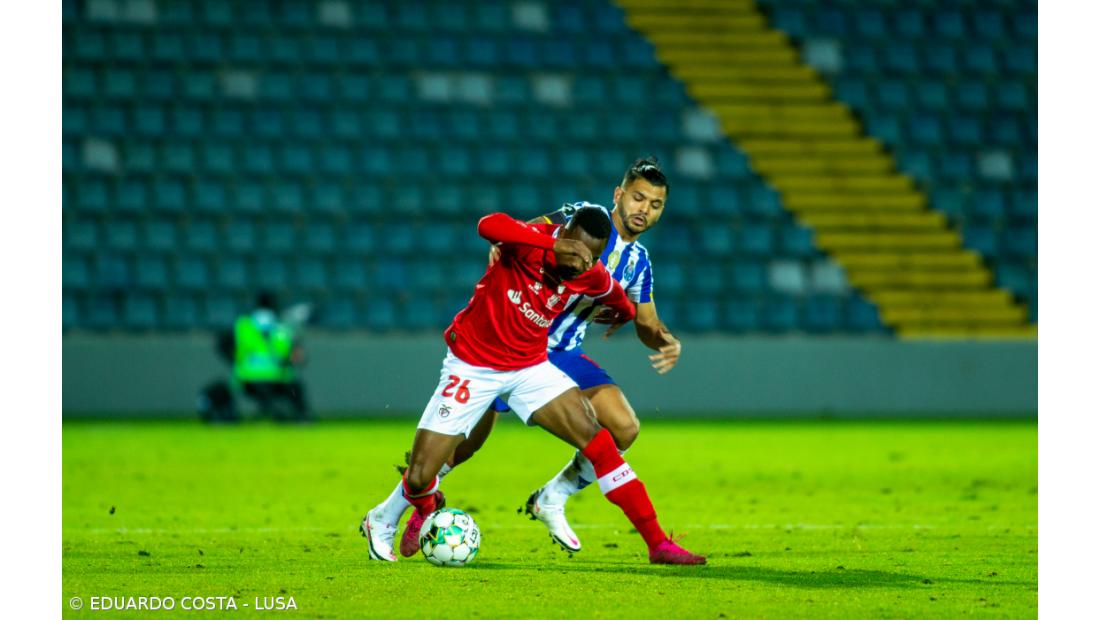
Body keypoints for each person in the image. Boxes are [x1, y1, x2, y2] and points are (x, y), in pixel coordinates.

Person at [359, 207, 704, 565]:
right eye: (575, 252)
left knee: (602, 444)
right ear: (564, 235)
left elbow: (620, 301)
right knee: (420, 476)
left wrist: (620, 314)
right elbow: (487, 224)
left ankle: (657, 544)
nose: (579, 264)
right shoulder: (528, 243)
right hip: (473, 365)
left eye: (589, 259)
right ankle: (397, 514)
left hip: (529, 368)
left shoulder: (591, 273)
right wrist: (551, 246)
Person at [199, 291, 311, 423]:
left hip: (247, 381)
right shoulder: (283, 328)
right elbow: (298, 357)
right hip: (278, 380)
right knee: (296, 388)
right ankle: (301, 418)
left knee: (222, 389)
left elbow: (222, 345)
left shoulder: (243, 326)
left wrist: (235, 361)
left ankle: (226, 416)